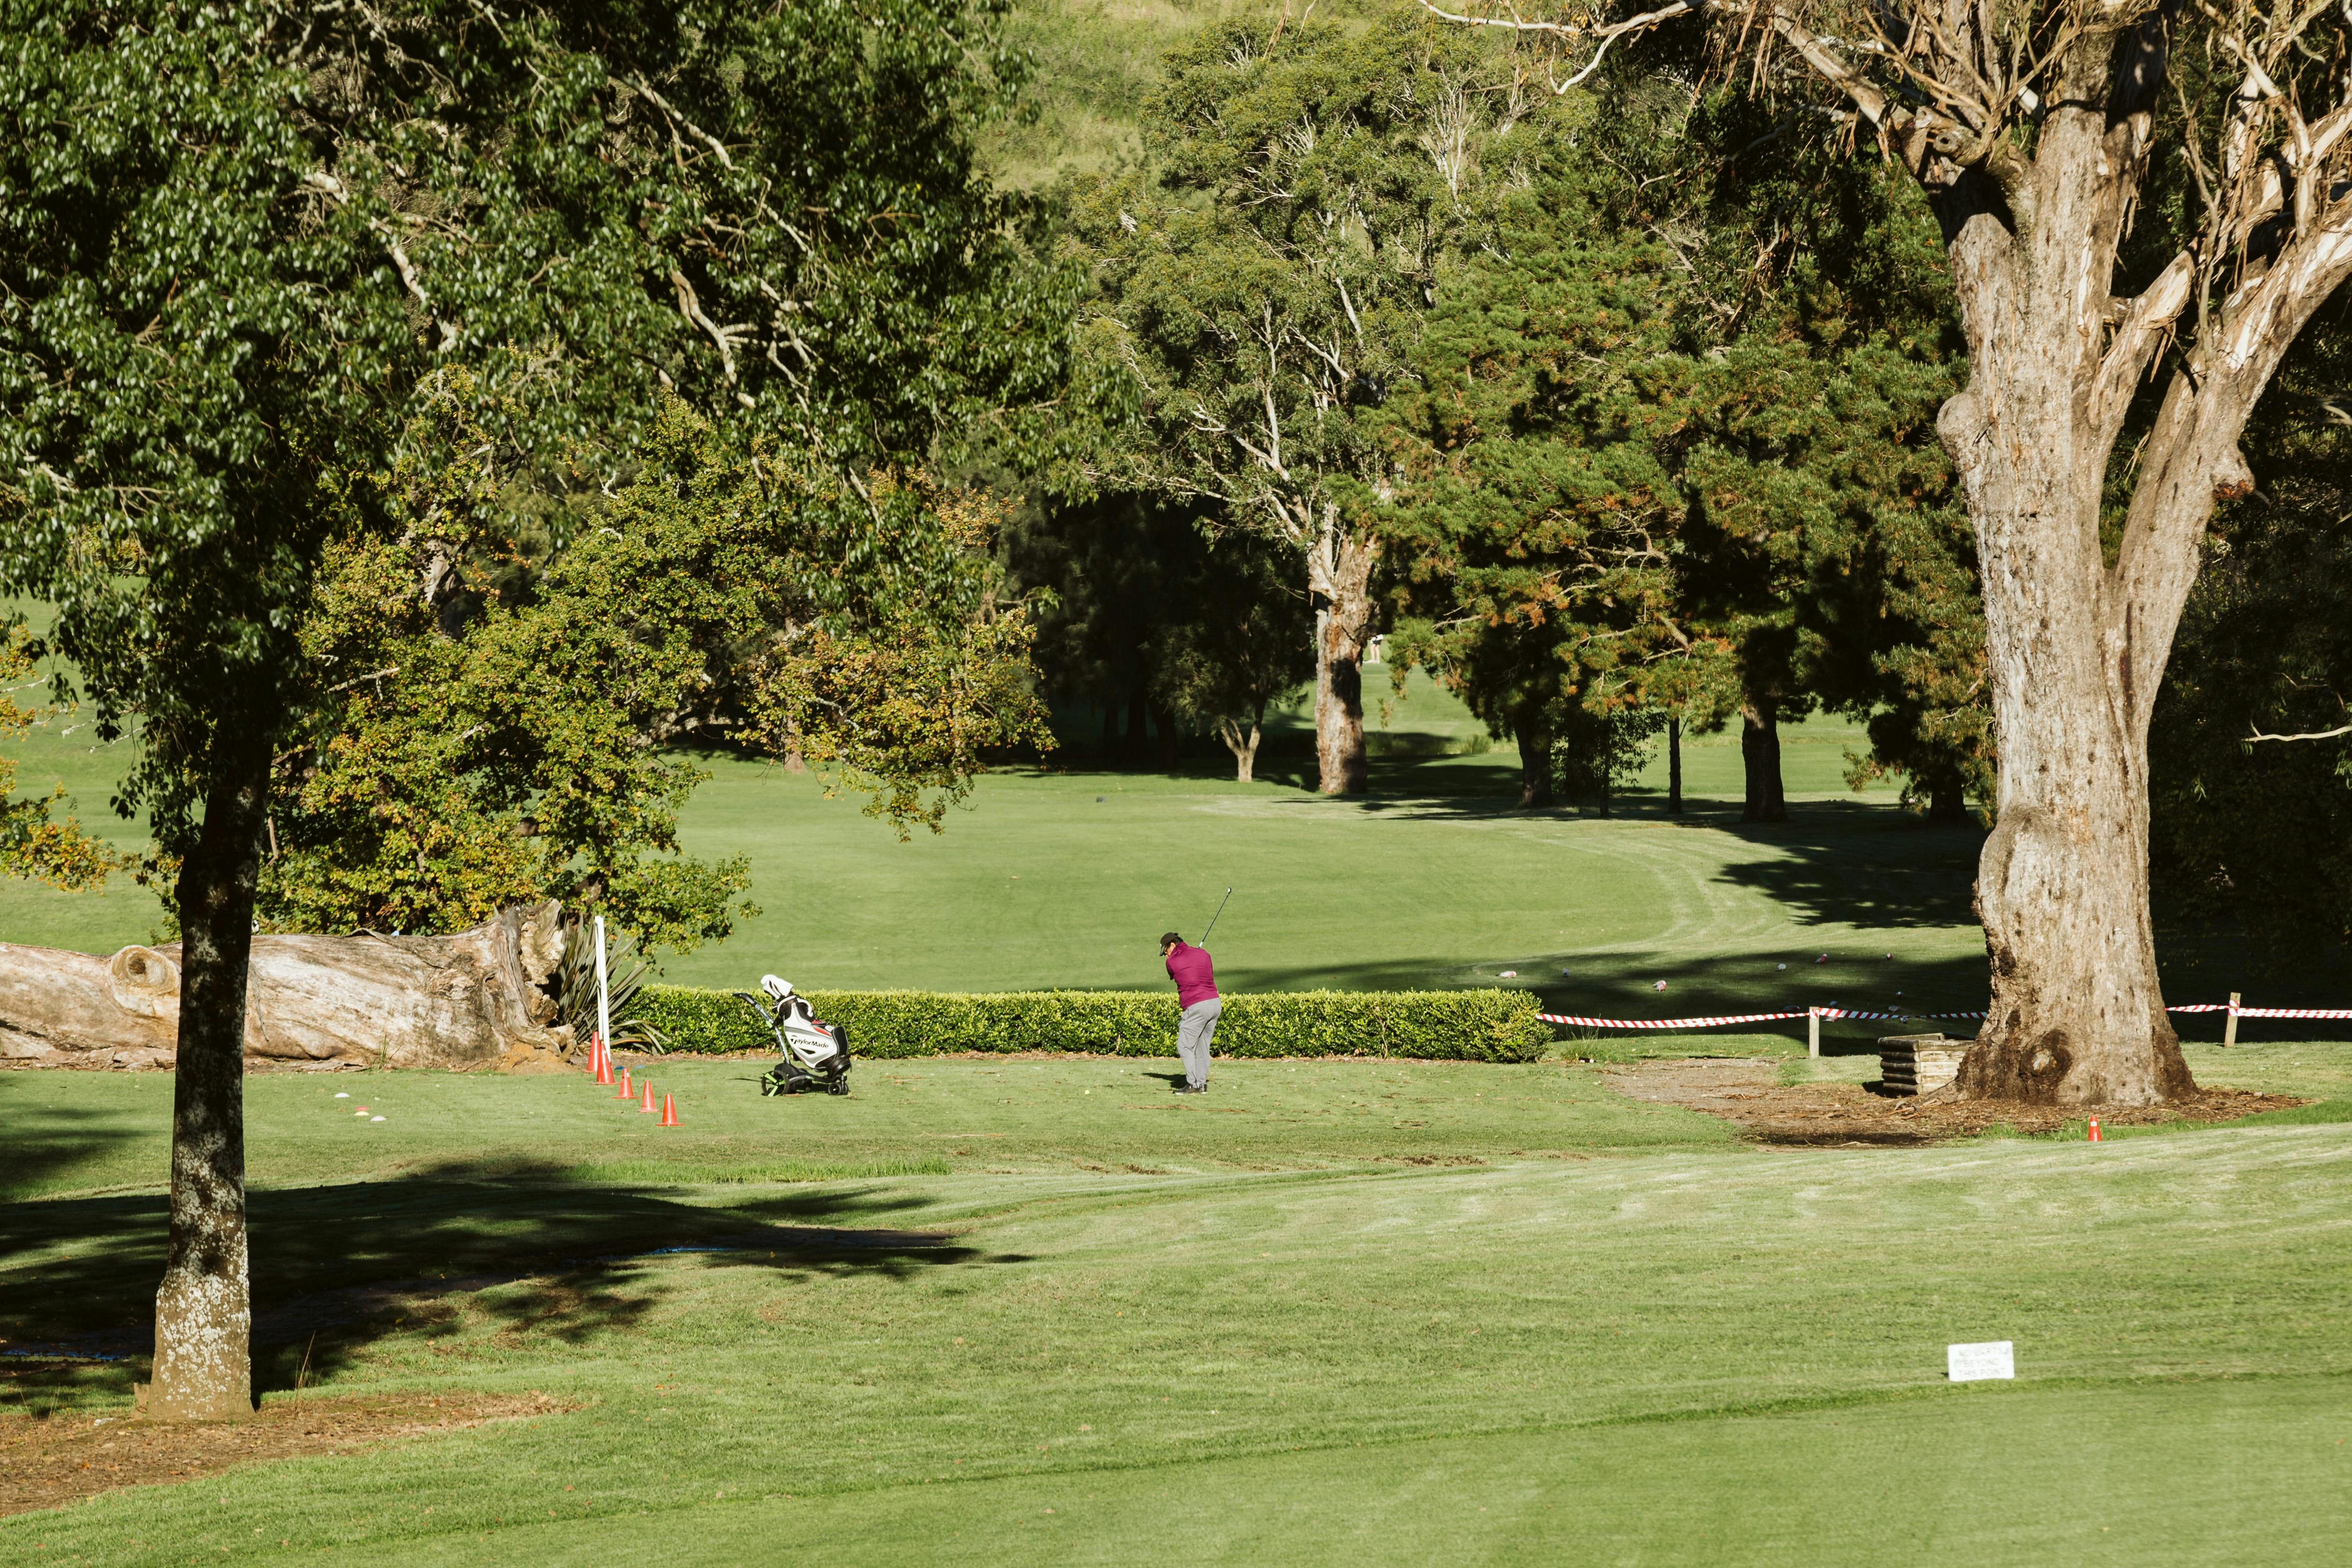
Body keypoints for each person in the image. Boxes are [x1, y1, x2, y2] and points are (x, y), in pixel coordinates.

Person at [1160, 931, 1219, 1094]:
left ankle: (1193, 1084)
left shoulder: (1171, 962)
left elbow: (1173, 975)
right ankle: (1201, 1084)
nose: (1166, 955)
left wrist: (1172, 959)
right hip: (1214, 1003)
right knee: (1203, 1047)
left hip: (1196, 1006)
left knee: (1184, 1045)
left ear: (1172, 945)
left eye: (1166, 951)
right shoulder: (1204, 954)